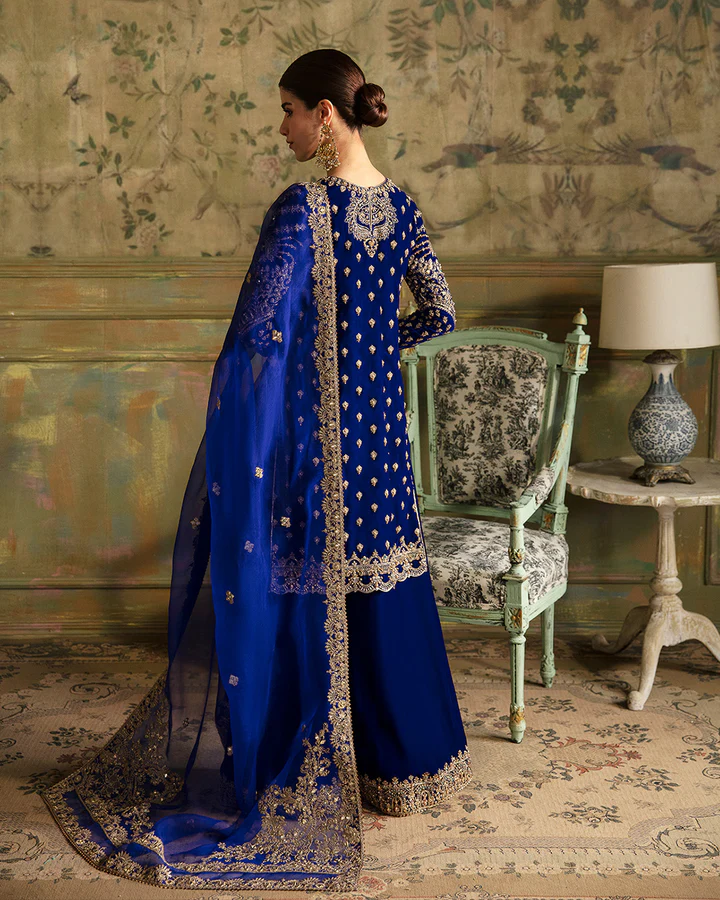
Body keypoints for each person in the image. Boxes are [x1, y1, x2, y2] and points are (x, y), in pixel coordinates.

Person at [41, 48, 471, 891]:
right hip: (382, 441)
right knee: (381, 576)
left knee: (311, 585)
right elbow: (442, 315)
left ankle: (304, 760)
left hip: (313, 448)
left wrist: (265, 417)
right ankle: (401, 767)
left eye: (288, 110)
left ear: (324, 115)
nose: (282, 127)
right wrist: (371, 356)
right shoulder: (403, 207)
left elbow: (255, 341)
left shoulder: (303, 210)